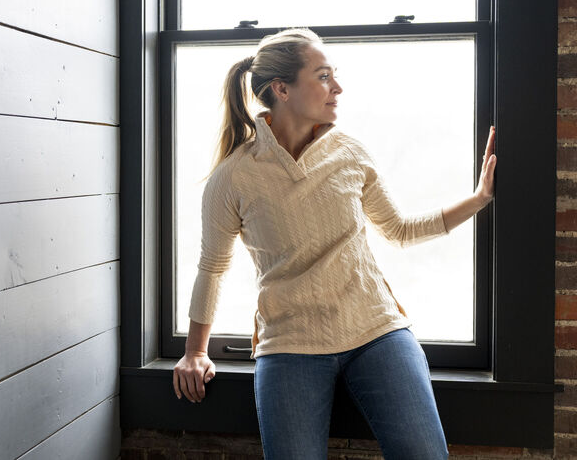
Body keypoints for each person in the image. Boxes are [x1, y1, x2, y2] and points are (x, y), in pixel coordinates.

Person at [171, 28, 497, 460]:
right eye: (323, 76)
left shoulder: (350, 152)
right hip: (289, 344)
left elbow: (399, 229)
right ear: (281, 89)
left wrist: (478, 200)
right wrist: (194, 351)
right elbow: (212, 267)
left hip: (375, 331)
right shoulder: (232, 178)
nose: (337, 87)